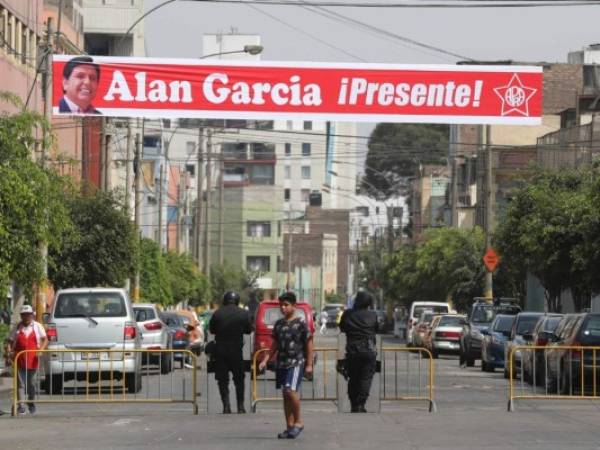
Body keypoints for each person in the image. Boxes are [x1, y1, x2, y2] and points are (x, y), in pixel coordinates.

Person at [259, 291, 313, 439]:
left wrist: (309, 365)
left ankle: (298, 422)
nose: (283, 308)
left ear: (294, 305)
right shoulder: (279, 324)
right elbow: (274, 345)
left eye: (286, 305)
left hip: (296, 362)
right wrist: (265, 360)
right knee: (285, 395)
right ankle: (289, 427)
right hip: (281, 363)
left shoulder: (301, 323)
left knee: (290, 390)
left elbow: (309, 343)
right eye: (281, 305)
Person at [209, 291, 251, 414]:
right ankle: (241, 406)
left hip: (220, 351)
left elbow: (212, 330)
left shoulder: (217, 313)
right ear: (237, 301)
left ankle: (226, 407)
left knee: (222, 380)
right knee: (239, 379)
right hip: (236, 351)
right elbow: (248, 330)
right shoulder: (243, 313)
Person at [339, 291, 379, 413]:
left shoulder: (348, 314)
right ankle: (361, 404)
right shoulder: (373, 315)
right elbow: (376, 329)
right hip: (369, 350)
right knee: (366, 377)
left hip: (352, 350)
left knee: (353, 377)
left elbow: (342, 327)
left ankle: (354, 404)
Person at [6, 305, 48, 415]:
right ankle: (21, 405)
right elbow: (10, 342)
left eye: (28, 315)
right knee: (20, 384)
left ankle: (31, 402)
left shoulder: (37, 326)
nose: (26, 317)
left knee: (32, 384)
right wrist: (9, 352)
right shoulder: (17, 327)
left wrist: (41, 350)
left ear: (32, 315)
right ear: (21, 316)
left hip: (33, 359)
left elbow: (45, 339)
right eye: (24, 315)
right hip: (19, 359)